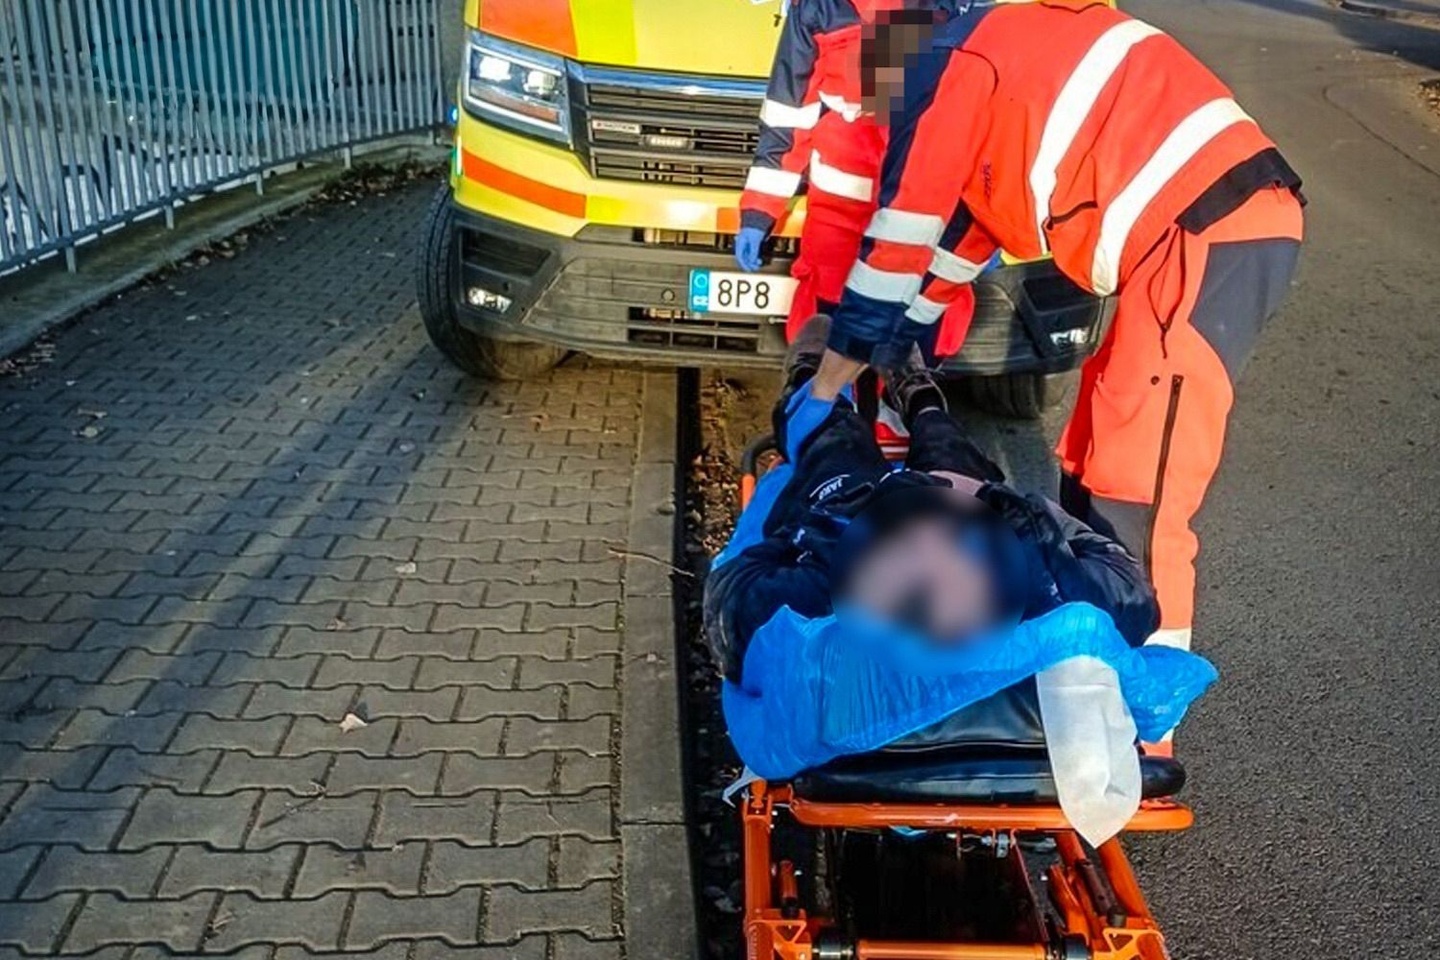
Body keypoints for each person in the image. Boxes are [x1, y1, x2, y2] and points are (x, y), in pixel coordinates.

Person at [802, 0, 1305, 653]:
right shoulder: (989, 64)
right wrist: (906, 347)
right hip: (1190, 226)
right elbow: (960, 242)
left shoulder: (953, 70)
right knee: (1091, 449)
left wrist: (826, 387)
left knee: (1138, 480)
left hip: (1212, 221)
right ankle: (1081, 643)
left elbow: (898, 244)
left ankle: (1147, 698)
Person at [704, 318, 1159, 682]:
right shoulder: (1052, 595)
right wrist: (1022, 518)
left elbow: (730, 606)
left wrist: (809, 535)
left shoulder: (818, 597)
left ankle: (816, 392)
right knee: (949, 462)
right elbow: (1133, 593)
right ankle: (920, 399)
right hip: (937, 567)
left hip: (857, 529)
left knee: (833, 448)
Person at [736, 0, 975, 359]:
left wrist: (980, 223)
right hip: (861, 217)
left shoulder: (949, 9)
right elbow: (788, 119)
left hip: (911, 213)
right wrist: (759, 212)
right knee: (838, 345)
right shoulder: (818, 11)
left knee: (896, 351)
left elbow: (976, 118)